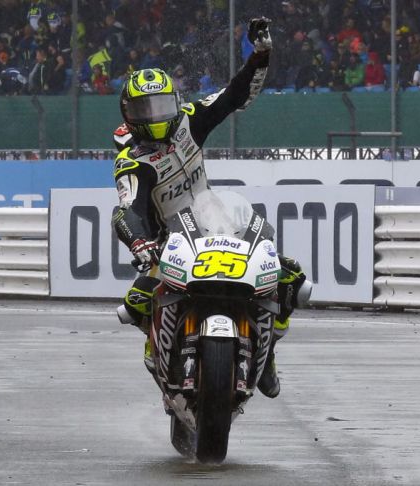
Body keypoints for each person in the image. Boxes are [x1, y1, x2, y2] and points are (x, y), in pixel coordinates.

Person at [111, 17, 308, 399]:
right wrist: (140, 244)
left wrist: (260, 55)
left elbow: (235, 95)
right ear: (129, 113)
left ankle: (267, 358)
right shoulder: (132, 162)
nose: (156, 116)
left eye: (162, 105)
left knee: (291, 278)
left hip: (214, 224)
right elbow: (128, 210)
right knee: (132, 306)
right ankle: (159, 350)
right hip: (168, 242)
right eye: (146, 109)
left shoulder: (190, 120)